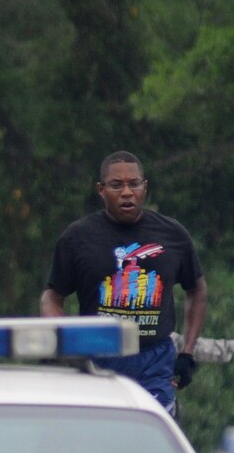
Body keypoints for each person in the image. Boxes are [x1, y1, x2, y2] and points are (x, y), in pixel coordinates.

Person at [40, 151, 207, 411]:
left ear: (145, 187)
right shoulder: (78, 237)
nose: (127, 192)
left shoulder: (173, 235)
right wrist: (62, 341)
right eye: (117, 185)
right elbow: (52, 296)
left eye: (134, 184)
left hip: (154, 361)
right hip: (98, 359)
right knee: (103, 434)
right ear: (101, 190)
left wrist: (187, 351)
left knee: (151, 431)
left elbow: (196, 289)